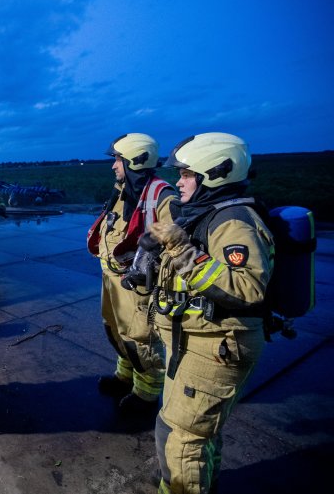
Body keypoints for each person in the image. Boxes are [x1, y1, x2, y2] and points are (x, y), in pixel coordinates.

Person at [147, 132, 273, 494]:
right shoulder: (209, 213)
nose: (179, 181)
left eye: (186, 174)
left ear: (213, 175)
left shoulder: (234, 222)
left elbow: (248, 289)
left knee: (183, 439)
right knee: (198, 434)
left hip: (218, 345)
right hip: (198, 341)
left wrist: (180, 248)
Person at [86, 133, 176, 413]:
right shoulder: (124, 190)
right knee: (115, 329)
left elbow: (176, 246)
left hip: (136, 286)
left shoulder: (162, 196)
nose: (114, 165)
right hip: (112, 280)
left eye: (117, 159)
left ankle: (146, 396)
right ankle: (124, 376)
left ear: (134, 160)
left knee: (140, 337)